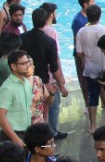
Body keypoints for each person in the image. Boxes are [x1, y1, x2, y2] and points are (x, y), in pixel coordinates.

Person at [21, 8, 69, 141]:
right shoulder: (49, 42)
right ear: (47, 19)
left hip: (24, 80)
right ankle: (48, 137)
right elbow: (54, 66)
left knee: (31, 113)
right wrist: (61, 85)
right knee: (44, 113)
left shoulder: (22, 38)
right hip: (43, 82)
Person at [0, 50, 48, 147]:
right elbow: (0, 116)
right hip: (12, 134)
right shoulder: (8, 88)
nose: (28, 65)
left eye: (28, 62)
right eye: (23, 63)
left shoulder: (26, 83)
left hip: (27, 132)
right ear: (13, 66)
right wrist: (15, 139)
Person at [75, 4, 105, 133]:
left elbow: (79, 52)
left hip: (89, 69)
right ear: (99, 15)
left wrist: (84, 63)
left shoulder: (81, 31)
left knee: (92, 97)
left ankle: (92, 126)